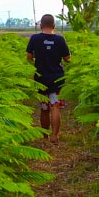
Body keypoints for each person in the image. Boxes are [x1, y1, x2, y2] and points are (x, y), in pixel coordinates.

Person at [26, 14, 71, 143]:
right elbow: (68, 59)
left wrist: (37, 59)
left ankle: (45, 136)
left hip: (41, 79)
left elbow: (28, 57)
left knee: (44, 109)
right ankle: (55, 136)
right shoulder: (60, 39)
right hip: (57, 79)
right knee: (55, 107)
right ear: (54, 26)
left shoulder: (35, 38)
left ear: (40, 26)